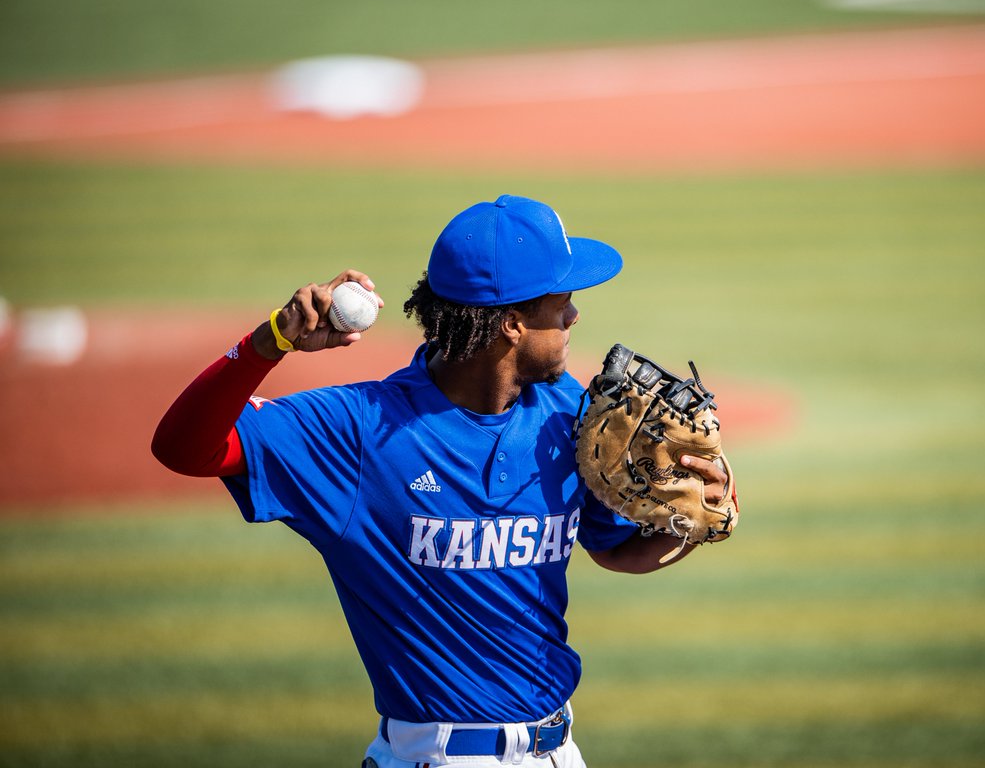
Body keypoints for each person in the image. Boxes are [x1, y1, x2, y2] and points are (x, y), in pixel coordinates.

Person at [152, 194, 731, 768]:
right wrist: (269, 342)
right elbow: (183, 448)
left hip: (559, 753)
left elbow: (615, 549)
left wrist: (699, 515)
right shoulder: (361, 432)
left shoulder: (568, 415)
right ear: (511, 324)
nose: (574, 316)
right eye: (563, 303)